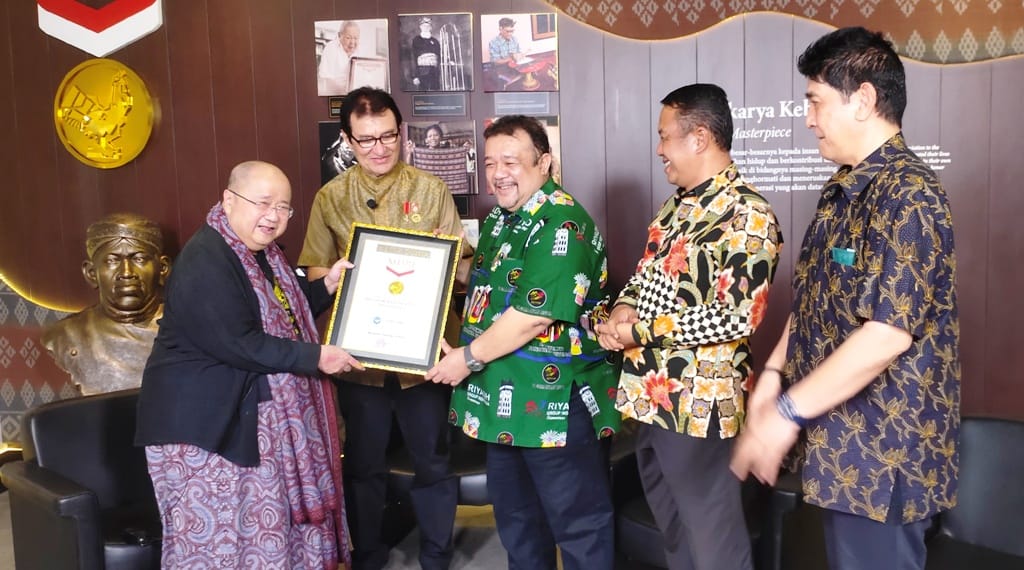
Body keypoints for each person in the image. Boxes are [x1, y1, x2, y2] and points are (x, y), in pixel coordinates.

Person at [730, 27, 960, 570]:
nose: (808, 118)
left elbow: (885, 336)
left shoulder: (911, 197)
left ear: (863, 100)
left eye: (815, 102)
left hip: (883, 458)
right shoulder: (845, 188)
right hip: (840, 450)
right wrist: (771, 378)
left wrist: (786, 413)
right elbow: (811, 300)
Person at [135, 161, 362, 569]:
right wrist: (318, 358)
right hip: (203, 432)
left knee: (263, 538)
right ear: (228, 200)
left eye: (284, 207)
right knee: (217, 545)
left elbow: (280, 315)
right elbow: (241, 342)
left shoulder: (263, 256)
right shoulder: (207, 258)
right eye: (262, 203)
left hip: (243, 419)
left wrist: (326, 287)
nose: (273, 216)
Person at [594, 84, 781, 570]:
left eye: (665, 137)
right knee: (674, 532)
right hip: (652, 400)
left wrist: (642, 331)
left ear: (699, 138)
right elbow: (644, 276)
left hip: (700, 408)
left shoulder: (747, 214)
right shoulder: (676, 206)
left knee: (714, 539)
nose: (659, 150)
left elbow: (737, 314)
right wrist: (622, 311)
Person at [426, 114, 621, 570]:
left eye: (511, 161)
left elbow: (534, 315)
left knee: (580, 527)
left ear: (545, 162)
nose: (498, 173)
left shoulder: (563, 223)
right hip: (502, 401)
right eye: (491, 162)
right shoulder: (500, 219)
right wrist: (440, 258)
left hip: (554, 400)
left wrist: (467, 358)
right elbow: (485, 286)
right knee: (517, 524)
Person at [298, 87, 465, 570]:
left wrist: (443, 256)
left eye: (388, 136)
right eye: (366, 139)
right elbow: (313, 273)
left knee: (433, 461)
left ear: (401, 134)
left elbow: (459, 270)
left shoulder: (430, 190)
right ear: (348, 140)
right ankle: (368, 556)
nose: (379, 148)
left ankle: (437, 556)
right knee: (364, 465)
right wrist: (345, 277)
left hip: (425, 356)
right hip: (360, 358)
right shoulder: (330, 198)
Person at [42, 212, 171, 395]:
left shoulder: (187, 328)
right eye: (112, 261)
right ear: (91, 273)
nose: (126, 273)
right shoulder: (65, 336)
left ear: (163, 269)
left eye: (139, 259)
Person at [319, 20, 359, 95]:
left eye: (356, 38)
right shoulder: (330, 48)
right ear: (340, 35)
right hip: (334, 94)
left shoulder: (360, 50)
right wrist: (344, 89)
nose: (352, 42)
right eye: (348, 38)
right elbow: (325, 77)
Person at [411, 16, 441, 90]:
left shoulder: (435, 41)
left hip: (434, 74)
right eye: (424, 26)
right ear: (420, 27)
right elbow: (412, 58)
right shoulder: (416, 40)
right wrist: (415, 76)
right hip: (421, 73)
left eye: (428, 26)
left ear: (431, 27)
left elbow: (439, 57)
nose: (426, 27)